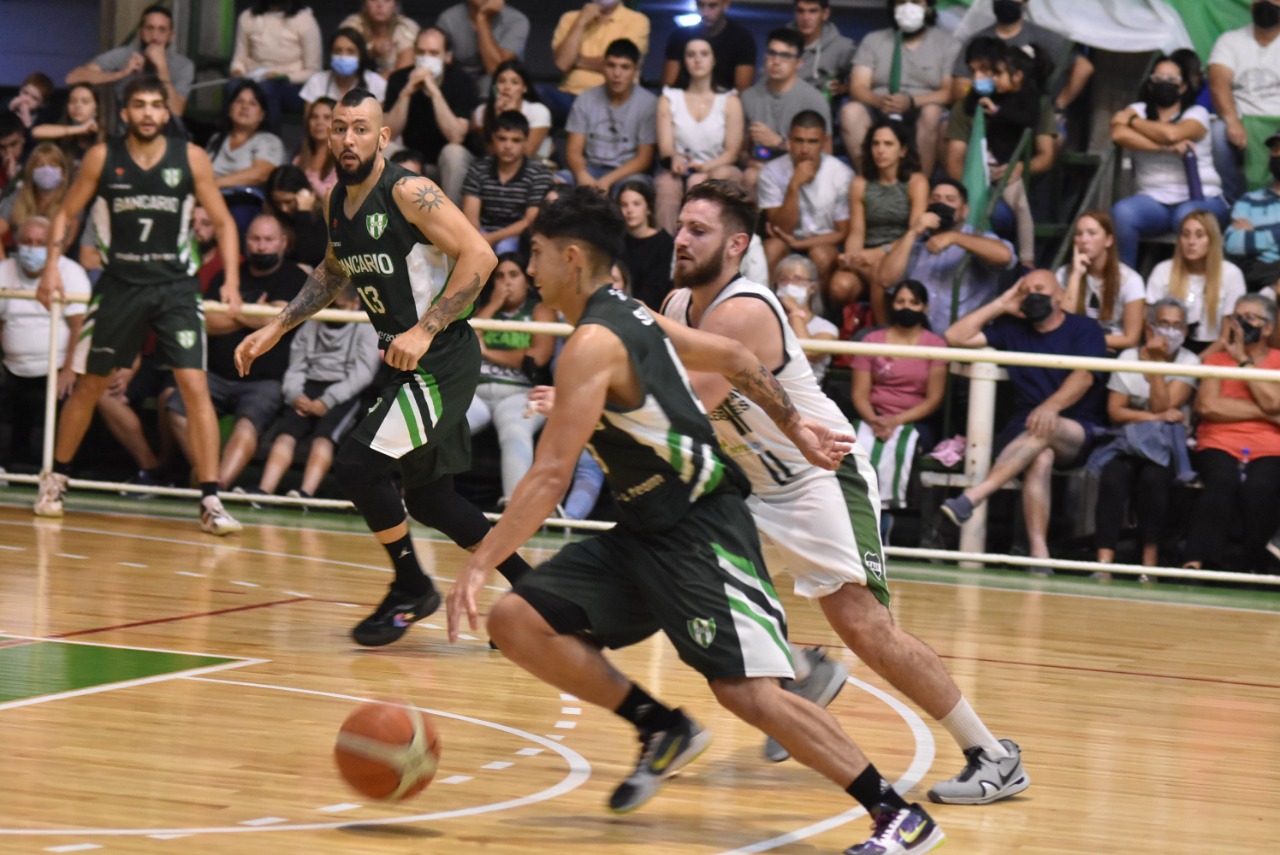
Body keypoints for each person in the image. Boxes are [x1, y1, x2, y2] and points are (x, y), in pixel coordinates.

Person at [448, 185, 949, 855]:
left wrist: (480, 562)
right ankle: (659, 725)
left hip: (699, 528)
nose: (528, 269)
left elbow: (548, 475)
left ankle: (897, 814)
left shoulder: (595, 340)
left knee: (748, 693)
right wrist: (797, 427)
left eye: (534, 255)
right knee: (518, 619)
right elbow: (738, 361)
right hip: (642, 529)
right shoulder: (629, 313)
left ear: (570, 258)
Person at [657, 179, 1023, 808]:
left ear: (737, 244)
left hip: (818, 478)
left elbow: (687, 405)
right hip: (751, 482)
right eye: (682, 227)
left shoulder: (744, 308)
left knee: (866, 628)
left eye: (700, 230)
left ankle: (992, 753)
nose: (682, 239)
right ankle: (805, 671)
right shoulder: (678, 302)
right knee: (671, 574)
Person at [233, 88, 533, 646]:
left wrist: (425, 329)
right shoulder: (335, 202)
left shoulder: (410, 191)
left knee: (356, 465)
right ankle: (538, 599)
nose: (349, 138)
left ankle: (412, 584)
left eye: (361, 128)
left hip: (439, 359)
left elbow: (482, 256)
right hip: (404, 360)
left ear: (382, 137)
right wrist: (275, 328)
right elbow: (331, 272)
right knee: (431, 500)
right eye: (340, 128)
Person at [34, 76, 243, 535]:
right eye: (139, 106)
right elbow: (66, 214)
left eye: (156, 105)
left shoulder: (190, 158)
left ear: (166, 113)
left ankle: (210, 498)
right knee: (90, 386)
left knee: (194, 384)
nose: (148, 113)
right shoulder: (102, 156)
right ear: (125, 114)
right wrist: (51, 266)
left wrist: (230, 279)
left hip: (176, 287)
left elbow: (225, 223)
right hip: (120, 285)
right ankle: (56, 481)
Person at [941, 270, 1107, 574]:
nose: (1032, 295)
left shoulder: (1085, 328)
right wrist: (1002, 304)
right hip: (1025, 428)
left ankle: (975, 495)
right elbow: (955, 337)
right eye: (1025, 290)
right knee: (1040, 456)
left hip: (1075, 428)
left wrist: (1051, 407)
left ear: (1059, 295)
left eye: (1040, 289)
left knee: (1048, 426)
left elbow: (1084, 377)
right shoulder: (1012, 329)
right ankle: (1039, 556)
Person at [167, 213, 305, 489]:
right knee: (175, 406)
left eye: (268, 240)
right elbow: (204, 321)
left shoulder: (296, 278)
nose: (261, 246)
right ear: (245, 242)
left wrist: (234, 310)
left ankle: (215, 486)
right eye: (255, 239)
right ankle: (206, 475)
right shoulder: (228, 276)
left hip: (264, 381)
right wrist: (256, 312)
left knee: (247, 424)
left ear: (282, 242)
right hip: (216, 375)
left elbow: (277, 321)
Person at [1089, 297, 1198, 571]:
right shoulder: (1128, 357)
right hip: (1127, 443)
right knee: (1113, 476)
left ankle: (1149, 564)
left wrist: (1157, 365)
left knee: (1154, 479)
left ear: (1185, 332)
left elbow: (1166, 404)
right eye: (1163, 323)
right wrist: (1155, 417)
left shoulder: (1190, 361)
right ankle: (1104, 563)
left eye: (1177, 326)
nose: (1170, 332)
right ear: (1150, 328)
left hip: (1166, 448)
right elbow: (1116, 411)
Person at [255, 284, 380, 499]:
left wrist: (328, 400)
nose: (332, 312)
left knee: (324, 438)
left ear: (354, 304)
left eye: (339, 307)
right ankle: (262, 492)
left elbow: (363, 373)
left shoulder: (365, 326)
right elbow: (296, 366)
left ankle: (304, 494)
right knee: (286, 434)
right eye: (328, 306)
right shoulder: (311, 324)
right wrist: (295, 395)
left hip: (343, 393)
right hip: (306, 389)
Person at [1185, 293, 1280, 571]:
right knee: (1220, 483)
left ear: (1268, 328)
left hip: (1270, 447)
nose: (1240, 325)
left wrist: (1243, 362)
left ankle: (1257, 565)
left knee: (1260, 488)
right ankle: (1199, 562)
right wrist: (1266, 412)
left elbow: (1276, 400)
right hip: (1219, 442)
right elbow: (1208, 405)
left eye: (1249, 318)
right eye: (1236, 318)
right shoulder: (1216, 360)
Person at [1111, 53, 1228, 268]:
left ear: (1183, 87)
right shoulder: (1137, 109)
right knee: (1122, 213)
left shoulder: (1197, 112)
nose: (1165, 83)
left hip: (1202, 197)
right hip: (1154, 201)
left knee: (1186, 218)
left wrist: (1134, 122)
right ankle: (1126, 283)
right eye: (1159, 78)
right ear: (1150, 84)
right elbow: (1118, 134)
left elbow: (1173, 134)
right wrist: (1163, 148)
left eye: (1173, 79)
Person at [466, 254, 556, 505]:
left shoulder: (540, 310)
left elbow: (536, 357)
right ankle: (423, 499)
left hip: (520, 394)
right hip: (477, 393)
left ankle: (516, 507)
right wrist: (493, 305)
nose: (506, 283)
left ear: (527, 282)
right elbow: (465, 343)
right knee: (447, 422)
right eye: (500, 276)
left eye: (514, 275)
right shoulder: (486, 310)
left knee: (515, 429)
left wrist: (486, 351)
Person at [851, 279, 947, 511]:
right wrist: (874, 420)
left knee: (899, 446)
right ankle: (857, 510)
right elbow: (859, 393)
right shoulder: (871, 341)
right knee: (855, 445)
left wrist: (896, 421)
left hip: (914, 421)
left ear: (924, 307)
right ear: (892, 305)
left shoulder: (936, 344)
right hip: (872, 417)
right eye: (900, 301)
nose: (906, 307)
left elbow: (934, 399)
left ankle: (888, 512)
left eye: (913, 303)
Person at [0, 217, 87, 467]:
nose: (32, 247)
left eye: (40, 243)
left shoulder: (71, 272)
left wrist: (70, 370)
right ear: (17, 244)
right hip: (12, 368)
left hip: (56, 368)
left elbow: (79, 326)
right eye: (27, 242)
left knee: (45, 433)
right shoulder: (4, 270)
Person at [876, 178, 1016, 331]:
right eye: (935, 199)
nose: (941, 204)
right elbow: (885, 280)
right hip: (918, 340)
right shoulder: (915, 243)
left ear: (964, 210)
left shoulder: (977, 238)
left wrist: (954, 237)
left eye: (950, 200)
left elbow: (1004, 256)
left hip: (965, 341)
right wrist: (912, 232)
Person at [842, 0, 958, 178]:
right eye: (902, 2)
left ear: (928, 6)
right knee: (850, 111)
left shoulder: (947, 43)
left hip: (922, 108)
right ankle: (869, 182)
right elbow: (857, 87)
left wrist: (911, 102)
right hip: (880, 109)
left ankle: (920, 184)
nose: (908, 7)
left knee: (932, 113)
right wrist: (879, 101)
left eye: (916, 2)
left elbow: (949, 92)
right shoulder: (873, 40)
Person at [830, 119, 928, 309]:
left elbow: (915, 233)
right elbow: (857, 232)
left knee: (879, 271)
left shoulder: (916, 182)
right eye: (876, 144)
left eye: (888, 144)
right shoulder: (860, 183)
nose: (880, 150)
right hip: (867, 255)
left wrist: (878, 253)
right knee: (840, 285)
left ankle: (881, 334)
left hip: (902, 254)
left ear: (903, 151)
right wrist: (852, 256)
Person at [654, 38, 744, 235]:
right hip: (681, 169)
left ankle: (706, 246)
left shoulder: (729, 100)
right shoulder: (669, 98)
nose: (697, 60)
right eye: (691, 54)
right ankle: (666, 251)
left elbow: (732, 153)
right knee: (665, 183)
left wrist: (705, 167)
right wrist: (674, 158)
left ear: (714, 60)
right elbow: (666, 149)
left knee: (701, 181)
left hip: (719, 167)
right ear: (684, 61)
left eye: (704, 54)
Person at [759, 110, 852, 301]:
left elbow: (842, 232)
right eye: (799, 140)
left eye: (812, 142)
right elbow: (782, 228)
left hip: (823, 242)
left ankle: (820, 313)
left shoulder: (841, 174)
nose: (804, 149)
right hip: (785, 240)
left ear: (824, 143)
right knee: (772, 248)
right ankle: (769, 307)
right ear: (789, 141)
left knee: (821, 255)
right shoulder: (771, 172)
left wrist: (801, 244)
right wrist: (794, 185)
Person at [949, 0, 1092, 120]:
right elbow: (959, 87)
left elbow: (1084, 68)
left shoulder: (1045, 38)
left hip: (1030, 116)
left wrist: (1058, 105)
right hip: (985, 115)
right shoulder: (978, 41)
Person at [385, 27, 478, 204]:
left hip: (445, 164)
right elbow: (389, 133)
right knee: (383, 148)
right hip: (412, 160)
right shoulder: (399, 79)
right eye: (421, 52)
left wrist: (434, 92)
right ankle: (388, 218)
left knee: (454, 153)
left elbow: (456, 136)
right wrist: (406, 92)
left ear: (447, 56)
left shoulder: (462, 81)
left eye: (434, 53)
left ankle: (450, 224)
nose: (426, 58)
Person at [739, 29, 831, 190]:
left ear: (799, 63)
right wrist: (749, 161)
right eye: (772, 53)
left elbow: (826, 154)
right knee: (749, 175)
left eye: (786, 56)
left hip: (799, 169)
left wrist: (780, 143)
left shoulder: (814, 99)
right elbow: (741, 152)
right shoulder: (749, 97)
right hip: (760, 167)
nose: (776, 61)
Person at [561, 39, 657, 195]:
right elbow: (573, 150)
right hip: (589, 168)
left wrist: (607, 180)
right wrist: (582, 175)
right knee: (557, 184)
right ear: (602, 67)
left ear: (636, 69)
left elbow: (644, 158)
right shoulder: (585, 99)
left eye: (625, 67)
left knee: (632, 192)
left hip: (627, 173)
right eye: (611, 65)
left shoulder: (648, 103)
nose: (617, 74)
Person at [66, 4, 194, 118]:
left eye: (162, 30)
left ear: (171, 36)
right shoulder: (124, 55)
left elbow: (177, 112)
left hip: (165, 135)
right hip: (124, 133)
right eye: (150, 28)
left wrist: (163, 70)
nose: (155, 36)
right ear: (140, 32)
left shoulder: (183, 65)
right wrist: (121, 73)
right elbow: (73, 77)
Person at [1145, 211, 1246, 354]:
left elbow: (1225, 337)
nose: (1191, 242)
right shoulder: (1162, 270)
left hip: (1213, 351)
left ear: (1212, 240)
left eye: (1199, 235)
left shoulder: (1231, 274)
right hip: (1167, 350)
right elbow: (1149, 324)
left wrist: (1194, 365)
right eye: (1186, 235)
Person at [1208, 0, 1280, 191]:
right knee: (1217, 133)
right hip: (1242, 119)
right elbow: (1218, 84)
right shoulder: (1230, 40)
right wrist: (1232, 122)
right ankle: (1233, 201)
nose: (1267, 3)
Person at [461, 111, 554, 256]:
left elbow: (529, 221)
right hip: (482, 231)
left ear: (525, 142)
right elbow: (470, 215)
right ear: (493, 138)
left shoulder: (539, 174)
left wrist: (491, 239)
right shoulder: (478, 168)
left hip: (516, 235)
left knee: (507, 249)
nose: (508, 146)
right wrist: (478, 239)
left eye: (516, 140)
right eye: (502, 139)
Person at [547, 0, 651, 123]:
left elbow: (621, 62)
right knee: (536, 96)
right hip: (571, 97)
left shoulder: (637, 20)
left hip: (613, 98)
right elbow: (563, 63)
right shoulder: (570, 18)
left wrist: (576, 61)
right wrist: (581, 21)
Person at [228, 0, 323, 130]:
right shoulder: (247, 17)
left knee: (267, 89)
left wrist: (283, 76)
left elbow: (313, 70)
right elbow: (239, 59)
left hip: (290, 85)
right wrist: (237, 71)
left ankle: (270, 139)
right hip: (253, 79)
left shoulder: (305, 20)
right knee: (233, 87)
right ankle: (229, 139)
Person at [1058, 210, 1145, 352]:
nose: (1084, 240)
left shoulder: (1130, 280)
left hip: (1114, 352)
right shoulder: (1064, 274)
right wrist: (1076, 275)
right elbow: (1063, 326)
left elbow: (1131, 339)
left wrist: (1093, 341)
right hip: (1075, 350)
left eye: (1092, 233)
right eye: (1079, 234)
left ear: (1108, 240)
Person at [437, 0, 531, 99]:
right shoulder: (448, 19)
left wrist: (482, 18)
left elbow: (497, 70)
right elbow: (437, 62)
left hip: (496, 92)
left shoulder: (516, 20)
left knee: (494, 84)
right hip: (458, 86)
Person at [1224, 128, 1280, 292]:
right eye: (1275, 149)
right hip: (1255, 274)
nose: (1278, 154)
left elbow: (1243, 242)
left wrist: (1255, 233)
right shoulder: (1248, 201)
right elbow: (1232, 244)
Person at [660, 0, 756, 93]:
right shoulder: (679, 36)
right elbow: (668, 85)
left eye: (712, 6)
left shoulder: (742, 39)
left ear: (726, 4)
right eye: (701, 5)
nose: (705, 12)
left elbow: (742, 90)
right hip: (682, 103)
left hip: (725, 105)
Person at [207, 80, 287, 190]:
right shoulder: (217, 139)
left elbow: (260, 174)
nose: (244, 107)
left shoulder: (269, 141)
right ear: (230, 109)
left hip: (246, 203)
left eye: (252, 103)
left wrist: (214, 185)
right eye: (239, 101)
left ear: (261, 115)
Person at [772, 253, 838, 385]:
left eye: (798, 279)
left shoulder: (826, 328)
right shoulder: (768, 321)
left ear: (812, 288)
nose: (790, 285)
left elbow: (808, 352)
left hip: (804, 398)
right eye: (784, 280)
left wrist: (795, 311)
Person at [471, 60, 552, 162]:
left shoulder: (538, 112)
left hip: (534, 168)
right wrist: (498, 119)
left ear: (524, 88)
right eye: (501, 81)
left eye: (514, 82)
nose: (506, 87)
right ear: (494, 87)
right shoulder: (481, 112)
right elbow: (489, 154)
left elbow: (526, 154)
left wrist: (512, 116)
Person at [618, 179, 674, 309]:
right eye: (624, 205)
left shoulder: (665, 243)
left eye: (636, 204)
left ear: (648, 208)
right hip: (619, 308)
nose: (629, 210)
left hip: (652, 312)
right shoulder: (616, 240)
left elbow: (656, 289)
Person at [0, 143, 72, 245]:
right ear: (31, 172)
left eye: (52, 165)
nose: (47, 170)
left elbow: (64, 243)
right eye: (40, 165)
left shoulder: (72, 201)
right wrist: (4, 260)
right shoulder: (18, 196)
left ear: (63, 174)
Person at [299, 28, 388, 106]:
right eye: (338, 51)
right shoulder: (317, 82)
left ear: (361, 55)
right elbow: (310, 122)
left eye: (350, 51)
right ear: (330, 54)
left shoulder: (377, 83)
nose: (343, 56)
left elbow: (377, 122)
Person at [792, 0, 855, 102]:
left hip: (816, 113)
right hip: (782, 107)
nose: (806, 18)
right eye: (800, 11)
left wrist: (843, 88)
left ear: (825, 14)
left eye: (813, 11)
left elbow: (862, 85)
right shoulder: (782, 43)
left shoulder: (842, 47)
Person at [339, 0, 419, 77]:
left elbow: (403, 74)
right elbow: (343, 62)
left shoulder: (406, 27)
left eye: (386, 0)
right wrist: (370, 52)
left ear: (396, 5)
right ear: (364, 3)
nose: (380, 5)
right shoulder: (352, 25)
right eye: (373, 0)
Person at [31, 83, 102, 165]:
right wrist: (81, 129)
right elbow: (36, 132)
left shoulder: (105, 139)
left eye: (85, 102)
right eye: (72, 101)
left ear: (96, 110)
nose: (77, 106)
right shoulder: (61, 134)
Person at [293, 96, 337, 197]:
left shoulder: (345, 161)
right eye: (314, 117)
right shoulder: (298, 160)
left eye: (327, 117)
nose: (319, 122)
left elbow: (335, 200)